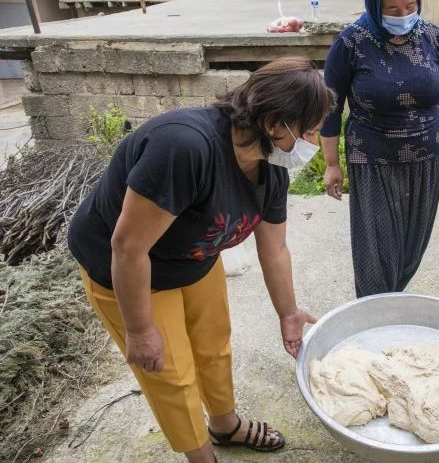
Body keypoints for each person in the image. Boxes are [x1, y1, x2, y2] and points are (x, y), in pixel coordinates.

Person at [67, 57, 334, 463]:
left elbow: (274, 248)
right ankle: (200, 456)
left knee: (213, 344)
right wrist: (139, 330)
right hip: (129, 268)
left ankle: (224, 425)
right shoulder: (186, 147)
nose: (314, 144)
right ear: (275, 124)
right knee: (170, 373)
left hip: (194, 257)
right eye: (310, 131)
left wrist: (288, 312)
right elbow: (128, 247)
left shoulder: (270, 167)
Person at [321, 0, 439, 297]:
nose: (402, 16)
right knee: (377, 254)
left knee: (410, 249)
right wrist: (331, 163)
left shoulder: (434, 37)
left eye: (410, 6)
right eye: (392, 9)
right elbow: (330, 105)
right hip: (374, 159)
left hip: (426, 158)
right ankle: (375, 316)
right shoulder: (351, 43)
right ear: (374, 3)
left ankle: (391, 303)